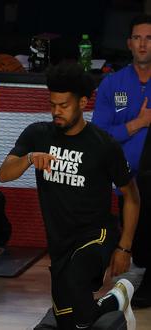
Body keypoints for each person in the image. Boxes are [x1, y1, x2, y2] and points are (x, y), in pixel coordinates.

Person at [0, 63, 139, 330]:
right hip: (60, 243)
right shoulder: (37, 134)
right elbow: (5, 174)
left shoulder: (103, 144)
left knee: (76, 280)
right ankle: (116, 301)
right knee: (73, 321)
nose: (56, 112)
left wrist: (124, 247)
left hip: (96, 235)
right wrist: (29, 158)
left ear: (83, 103)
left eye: (63, 105)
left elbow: (132, 197)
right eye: (52, 105)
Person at [92, 14, 151, 308]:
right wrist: (138, 123)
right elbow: (100, 135)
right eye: (137, 38)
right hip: (126, 178)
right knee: (134, 242)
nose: (143, 44)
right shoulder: (112, 84)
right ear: (128, 43)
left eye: (149, 38)